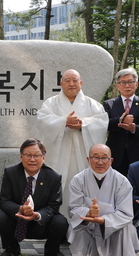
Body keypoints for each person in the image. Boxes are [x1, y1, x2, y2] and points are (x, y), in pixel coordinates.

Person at [37, 69, 108, 214]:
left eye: (75, 80)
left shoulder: (92, 104)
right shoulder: (50, 103)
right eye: (67, 80)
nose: (71, 84)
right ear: (61, 83)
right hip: (58, 153)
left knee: (82, 184)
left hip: (82, 153)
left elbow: (101, 122)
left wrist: (83, 124)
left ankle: (84, 219)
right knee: (58, 184)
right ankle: (58, 221)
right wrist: (64, 121)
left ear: (81, 83)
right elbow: (43, 121)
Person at [68, 144, 139, 256]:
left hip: (112, 226)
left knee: (126, 228)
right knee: (77, 225)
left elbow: (125, 213)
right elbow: (74, 208)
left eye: (104, 158)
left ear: (111, 160)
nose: (100, 162)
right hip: (87, 223)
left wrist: (103, 220)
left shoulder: (122, 181)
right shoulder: (78, 180)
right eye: (95, 157)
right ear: (88, 159)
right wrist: (88, 213)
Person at [0, 138, 69, 256]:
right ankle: (12, 249)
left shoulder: (54, 176)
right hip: (17, 219)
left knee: (61, 221)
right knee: (0, 217)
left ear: (43, 158)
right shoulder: (11, 172)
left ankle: (52, 250)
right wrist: (20, 209)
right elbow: (4, 201)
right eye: (28, 155)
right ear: (21, 156)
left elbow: (54, 205)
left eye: (36, 155)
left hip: (40, 223)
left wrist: (37, 215)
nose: (32, 159)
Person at [103, 68, 139, 176]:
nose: (127, 86)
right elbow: (104, 124)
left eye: (130, 82)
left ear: (136, 84)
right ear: (117, 86)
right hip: (116, 153)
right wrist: (120, 120)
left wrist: (134, 129)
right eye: (123, 82)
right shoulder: (109, 104)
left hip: (138, 152)